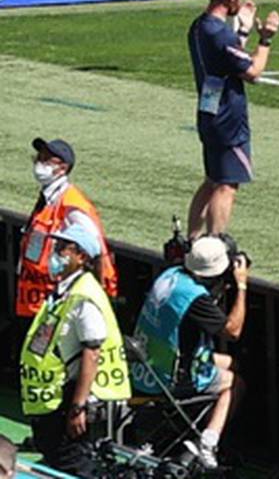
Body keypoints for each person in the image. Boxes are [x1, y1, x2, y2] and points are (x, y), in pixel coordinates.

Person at [17, 217, 128, 477]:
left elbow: (93, 351)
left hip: (69, 400)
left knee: (74, 467)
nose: (56, 253)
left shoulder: (84, 297)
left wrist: (78, 407)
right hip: (52, 398)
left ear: (81, 256)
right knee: (56, 460)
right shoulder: (64, 291)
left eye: (63, 248)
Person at [132, 236, 247, 470]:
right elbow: (233, 331)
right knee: (235, 384)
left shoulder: (170, 275)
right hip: (169, 379)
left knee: (231, 363)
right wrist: (242, 286)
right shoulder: (195, 299)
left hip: (146, 364)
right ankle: (207, 442)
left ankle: (204, 424)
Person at [188, 0, 278, 238]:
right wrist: (265, 39)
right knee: (227, 185)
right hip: (227, 116)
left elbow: (226, 57)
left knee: (212, 179)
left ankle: (191, 240)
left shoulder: (198, 27)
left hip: (208, 105)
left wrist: (242, 32)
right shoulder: (219, 34)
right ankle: (215, 243)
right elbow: (252, 72)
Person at [16, 139, 118, 328]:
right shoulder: (48, 199)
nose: (39, 162)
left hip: (54, 306)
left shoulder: (71, 204)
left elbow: (95, 248)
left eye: (47, 159)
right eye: (39, 157)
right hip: (35, 303)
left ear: (63, 168)